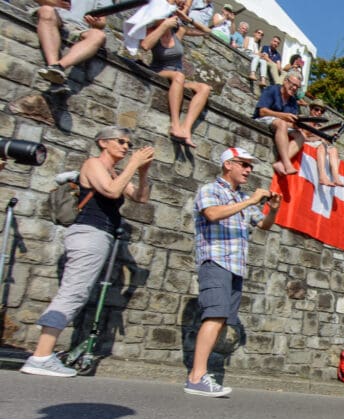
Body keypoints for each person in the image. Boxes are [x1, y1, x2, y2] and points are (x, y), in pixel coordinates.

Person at [21, 127, 153, 377]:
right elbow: (112, 191)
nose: (126, 147)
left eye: (129, 144)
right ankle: (40, 356)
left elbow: (140, 198)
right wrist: (133, 164)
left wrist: (143, 171)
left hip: (100, 235)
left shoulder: (114, 171)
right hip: (88, 233)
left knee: (76, 292)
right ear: (103, 142)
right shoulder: (93, 164)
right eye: (120, 141)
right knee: (73, 292)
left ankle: (43, 354)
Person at [186, 147, 282, 397]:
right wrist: (250, 201)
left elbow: (263, 225)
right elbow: (211, 214)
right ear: (228, 164)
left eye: (251, 166)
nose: (249, 170)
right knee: (214, 316)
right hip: (216, 261)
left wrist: (271, 209)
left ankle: (201, 374)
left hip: (236, 267)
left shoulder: (241, 196)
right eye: (244, 164)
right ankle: (196, 377)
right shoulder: (211, 190)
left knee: (221, 320)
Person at [140, 9, 211, 149]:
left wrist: (188, 19)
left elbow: (207, 32)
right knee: (179, 76)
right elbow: (145, 46)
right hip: (159, 71)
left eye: (173, 16)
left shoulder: (179, 32)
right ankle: (175, 124)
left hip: (179, 76)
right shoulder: (153, 31)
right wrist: (164, 26)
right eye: (169, 16)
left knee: (205, 88)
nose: (173, 18)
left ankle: (186, 129)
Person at [33, 0, 107, 95]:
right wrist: (55, 3)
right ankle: (53, 66)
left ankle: (58, 67)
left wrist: (95, 22)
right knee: (46, 10)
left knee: (99, 35)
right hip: (53, 16)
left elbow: (102, 23)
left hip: (79, 28)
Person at [252, 71, 305, 177]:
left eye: (297, 87)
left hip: (280, 123)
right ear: (285, 81)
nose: (294, 88)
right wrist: (281, 116)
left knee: (301, 136)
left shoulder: (293, 102)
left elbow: (289, 122)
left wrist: (296, 125)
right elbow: (262, 111)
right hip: (263, 119)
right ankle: (287, 163)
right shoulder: (272, 90)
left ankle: (280, 163)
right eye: (292, 84)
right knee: (282, 123)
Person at [300, 99, 343, 187]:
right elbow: (302, 135)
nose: (319, 112)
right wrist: (317, 137)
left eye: (321, 111)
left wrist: (331, 137)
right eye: (316, 109)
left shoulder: (320, 125)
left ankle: (335, 177)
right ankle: (322, 176)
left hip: (318, 145)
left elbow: (324, 140)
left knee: (333, 149)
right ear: (311, 110)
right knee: (321, 145)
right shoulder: (304, 119)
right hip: (306, 142)